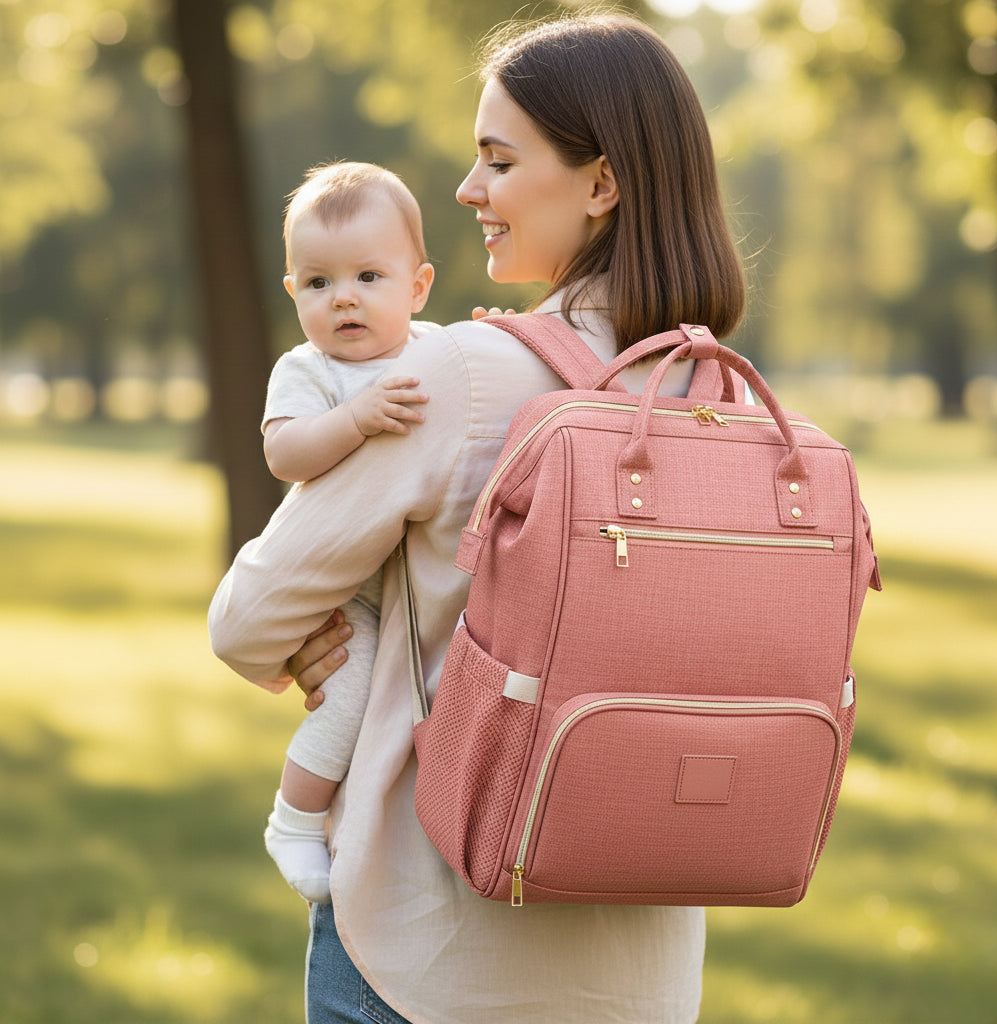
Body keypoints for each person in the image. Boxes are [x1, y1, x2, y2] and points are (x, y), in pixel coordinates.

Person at [209, 10, 744, 1024]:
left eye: (496, 160)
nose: (467, 191)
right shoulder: (716, 395)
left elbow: (245, 621)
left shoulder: (458, 371)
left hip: (433, 952)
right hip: (642, 972)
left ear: (601, 183)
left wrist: (328, 643)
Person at [260, 161, 436, 903]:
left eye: (369, 276)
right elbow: (284, 451)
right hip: (347, 586)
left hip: (416, 578)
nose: (346, 300)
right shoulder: (310, 371)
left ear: (418, 287)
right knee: (351, 697)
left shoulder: (434, 350)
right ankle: (295, 819)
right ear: (295, 292)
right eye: (321, 283)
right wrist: (354, 419)